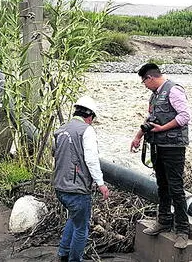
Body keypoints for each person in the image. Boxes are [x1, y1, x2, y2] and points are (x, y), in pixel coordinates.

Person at [130, 63, 191, 249]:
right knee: (162, 185)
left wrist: (163, 128)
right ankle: (164, 220)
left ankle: (182, 229)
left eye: (144, 81)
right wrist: (138, 136)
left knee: (176, 188)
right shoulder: (155, 96)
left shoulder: (174, 91)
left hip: (173, 147)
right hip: (158, 146)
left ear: (150, 77)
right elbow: (150, 119)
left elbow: (185, 116)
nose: (144, 85)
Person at [53, 96, 110, 262]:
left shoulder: (60, 130)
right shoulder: (86, 130)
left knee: (74, 218)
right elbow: (91, 160)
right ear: (90, 116)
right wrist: (101, 184)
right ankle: (74, 259)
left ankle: (63, 253)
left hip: (59, 187)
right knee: (81, 228)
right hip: (76, 189)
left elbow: (55, 154)